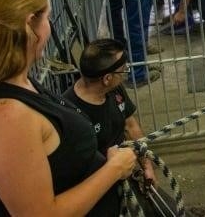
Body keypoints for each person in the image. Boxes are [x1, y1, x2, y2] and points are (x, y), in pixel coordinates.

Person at [0, 0, 136, 216]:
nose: (50, 25)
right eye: (47, 17)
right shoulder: (8, 115)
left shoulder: (21, 81)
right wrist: (113, 169)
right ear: (30, 24)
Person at [63, 39, 155, 181]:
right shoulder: (70, 113)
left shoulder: (114, 88)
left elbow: (130, 125)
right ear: (107, 78)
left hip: (123, 167)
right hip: (97, 180)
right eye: (123, 70)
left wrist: (147, 167)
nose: (125, 74)